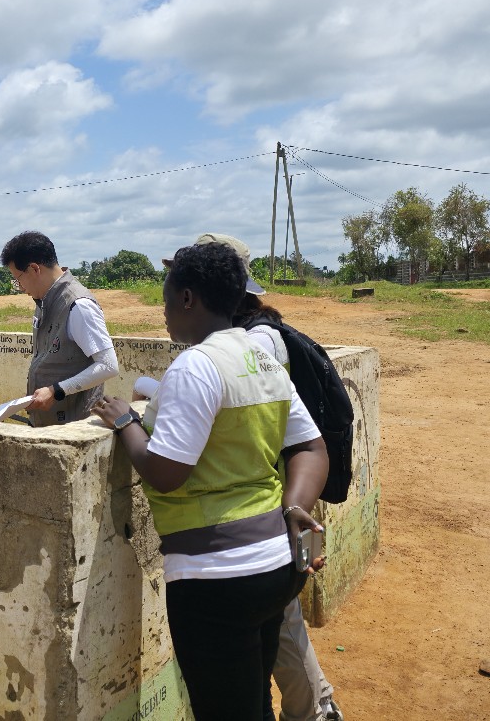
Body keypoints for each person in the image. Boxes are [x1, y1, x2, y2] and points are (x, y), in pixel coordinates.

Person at [92, 241, 329, 721]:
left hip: (215, 581)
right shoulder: (262, 358)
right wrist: (294, 507)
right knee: (253, 702)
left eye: (164, 300)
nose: (163, 314)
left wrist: (125, 423)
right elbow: (310, 447)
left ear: (187, 299)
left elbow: (166, 474)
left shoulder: (197, 366)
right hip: (276, 566)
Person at [0, 231, 118, 426]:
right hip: (47, 422)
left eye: (18, 279)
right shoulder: (44, 301)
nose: (20, 287)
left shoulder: (78, 305)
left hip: (74, 426)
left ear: (34, 269)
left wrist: (56, 390)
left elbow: (108, 366)